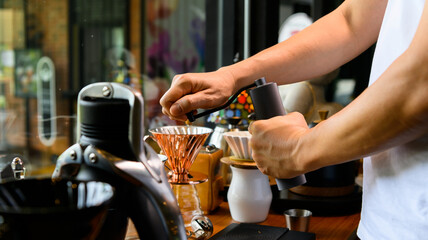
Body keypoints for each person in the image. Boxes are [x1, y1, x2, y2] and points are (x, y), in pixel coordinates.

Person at [160, 0, 428, 239]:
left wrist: (299, 148)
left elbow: (422, 83)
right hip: (379, 222)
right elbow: (351, 21)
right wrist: (233, 76)